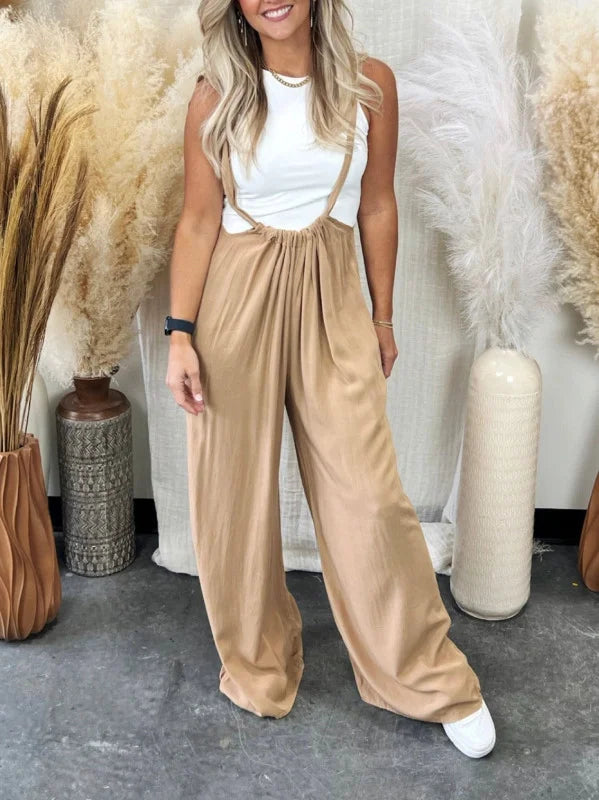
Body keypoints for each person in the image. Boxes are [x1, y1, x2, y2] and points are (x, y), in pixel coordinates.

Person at [165, 0, 496, 759]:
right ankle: (257, 658)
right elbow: (197, 219)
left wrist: (382, 317)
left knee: (369, 494)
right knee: (230, 497)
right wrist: (180, 334)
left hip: (331, 296)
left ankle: (423, 673)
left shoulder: (368, 85)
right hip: (235, 301)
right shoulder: (215, 95)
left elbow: (377, 207)